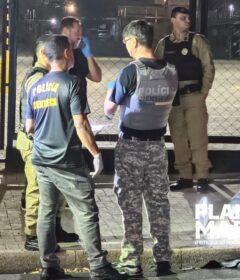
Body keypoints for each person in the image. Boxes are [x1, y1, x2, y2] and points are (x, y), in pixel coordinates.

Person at [25, 35, 124, 280]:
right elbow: (80, 124)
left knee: (46, 212)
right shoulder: (72, 83)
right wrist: (96, 153)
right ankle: (99, 267)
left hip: (41, 158)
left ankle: (49, 267)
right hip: (66, 161)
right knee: (86, 211)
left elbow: (29, 127)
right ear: (67, 53)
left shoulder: (35, 85)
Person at [104, 20, 178, 278]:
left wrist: (112, 91)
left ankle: (131, 261)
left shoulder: (130, 71)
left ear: (134, 41)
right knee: (159, 203)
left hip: (131, 148)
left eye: (126, 43)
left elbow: (109, 109)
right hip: (158, 147)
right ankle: (164, 260)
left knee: (131, 204)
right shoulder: (171, 70)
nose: (126, 47)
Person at [16, 35, 79, 251]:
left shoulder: (44, 76)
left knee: (55, 189)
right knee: (37, 189)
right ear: (44, 53)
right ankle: (32, 235)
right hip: (35, 142)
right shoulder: (37, 79)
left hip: (45, 141)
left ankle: (54, 228)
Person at [155, 7, 215, 192]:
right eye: (183, 18)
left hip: (194, 96)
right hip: (173, 99)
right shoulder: (164, 45)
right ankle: (185, 177)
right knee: (178, 138)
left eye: (188, 18)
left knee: (198, 137)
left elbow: (208, 68)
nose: (187, 21)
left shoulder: (197, 41)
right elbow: (157, 69)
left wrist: (203, 93)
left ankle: (202, 177)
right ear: (173, 20)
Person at [60, 16, 102, 92]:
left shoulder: (80, 53)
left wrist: (89, 56)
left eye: (81, 32)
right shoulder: (53, 53)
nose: (80, 36)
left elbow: (97, 78)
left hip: (80, 102)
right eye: (77, 32)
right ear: (66, 31)